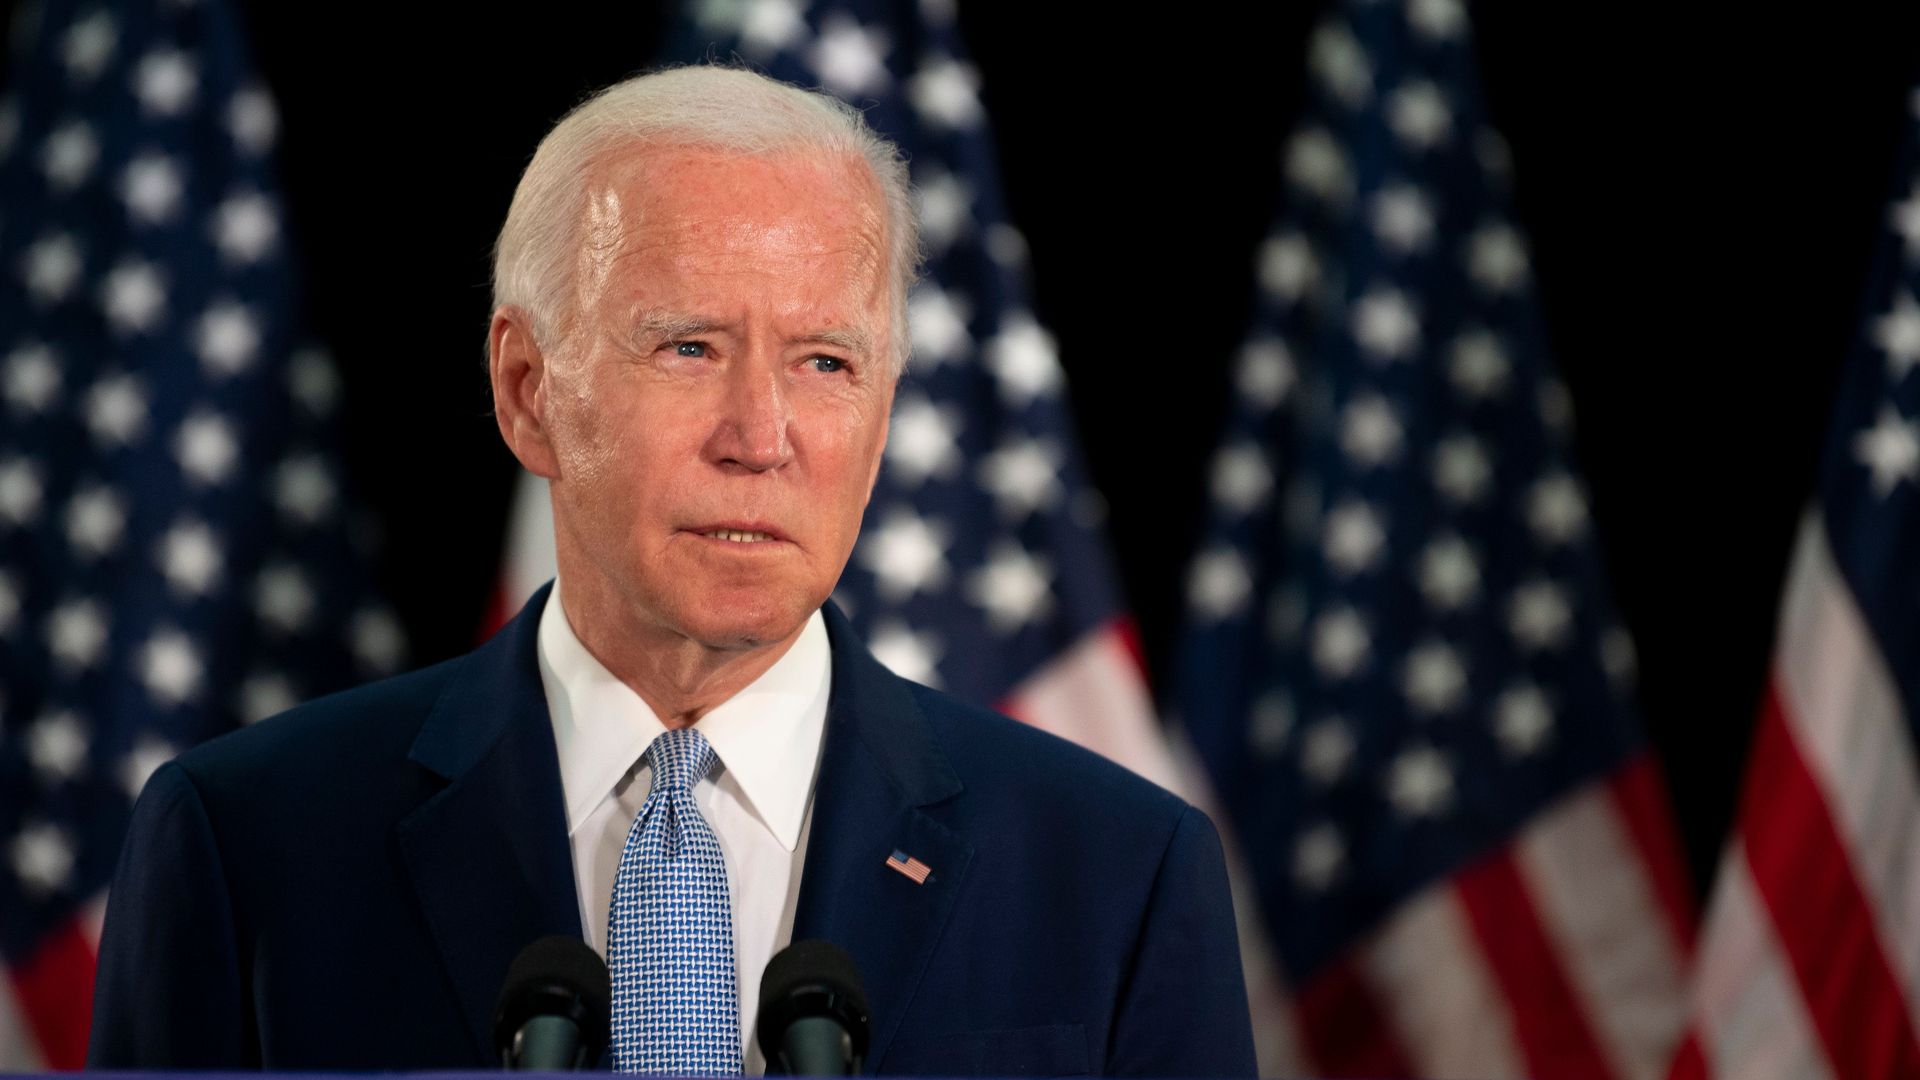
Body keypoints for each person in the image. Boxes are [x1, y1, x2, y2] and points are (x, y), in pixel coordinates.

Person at [87, 65, 1256, 1075]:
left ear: (885, 408)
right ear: (527, 391)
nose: (760, 433)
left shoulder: (1118, 876)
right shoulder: (246, 845)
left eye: (825, 362)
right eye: (689, 347)